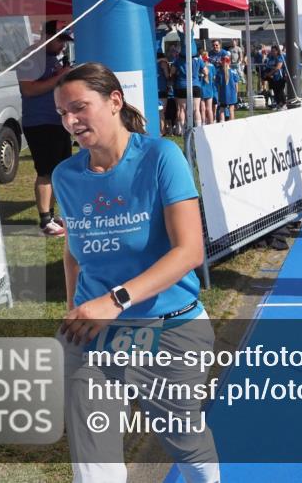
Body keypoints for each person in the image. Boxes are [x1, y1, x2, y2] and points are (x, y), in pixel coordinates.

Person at [51, 62, 217, 483]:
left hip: (171, 328)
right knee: (93, 462)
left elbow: (189, 251)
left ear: (114, 101)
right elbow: (74, 252)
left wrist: (115, 300)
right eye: (62, 113)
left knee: (184, 440)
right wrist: (76, 310)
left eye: (79, 107)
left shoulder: (161, 157)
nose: (70, 121)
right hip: (95, 337)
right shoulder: (66, 176)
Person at [16, 20, 74, 236]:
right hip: (39, 122)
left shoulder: (51, 58)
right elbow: (29, 89)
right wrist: (60, 76)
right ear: (48, 37)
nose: (63, 46)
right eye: (60, 41)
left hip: (57, 121)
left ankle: (53, 215)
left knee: (60, 170)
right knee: (46, 171)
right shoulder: (31, 57)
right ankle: (45, 220)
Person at [262, 44, 287, 109]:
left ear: (277, 51)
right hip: (273, 78)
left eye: (274, 51)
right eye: (272, 51)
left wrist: (269, 74)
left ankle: (284, 104)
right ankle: (278, 104)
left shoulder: (280, 57)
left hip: (280, 76)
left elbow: (278, 67)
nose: (272, 52)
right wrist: (266, 73)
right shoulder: (271, 57)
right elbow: (268, 65)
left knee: (280, 90)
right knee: (275, 90)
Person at [217, 55, 240, 121]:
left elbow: (218, 86)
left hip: (223, 94)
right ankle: (232, 124)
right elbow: (236, 85)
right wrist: (236, 94)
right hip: (232, 94)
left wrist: (219, 95)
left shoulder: (219, 72)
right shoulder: (234, 72)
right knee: (231, 110)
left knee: (222, 110)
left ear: (221, 62)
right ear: (229, 62)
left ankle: (222, 124)